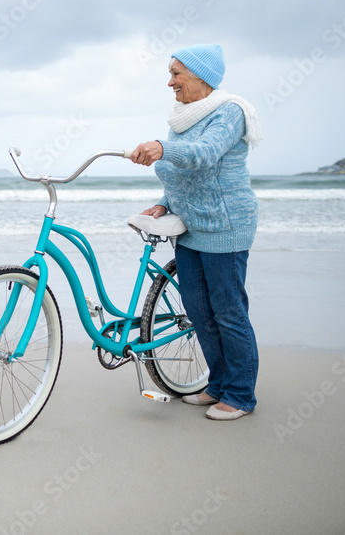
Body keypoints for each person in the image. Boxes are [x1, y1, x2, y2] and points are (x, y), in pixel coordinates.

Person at [130, 43, 262, 421]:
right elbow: (183, 175)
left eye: (176, 74)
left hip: (226, 225)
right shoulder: (184, 117)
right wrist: (163, 203)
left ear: (201, 76)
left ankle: (240, 394)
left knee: (228, 312)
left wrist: (160, 147)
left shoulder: (229, 112)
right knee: (200, 313)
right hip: (191, 227)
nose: (169, 82)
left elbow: (204, 154)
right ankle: (218, 384)